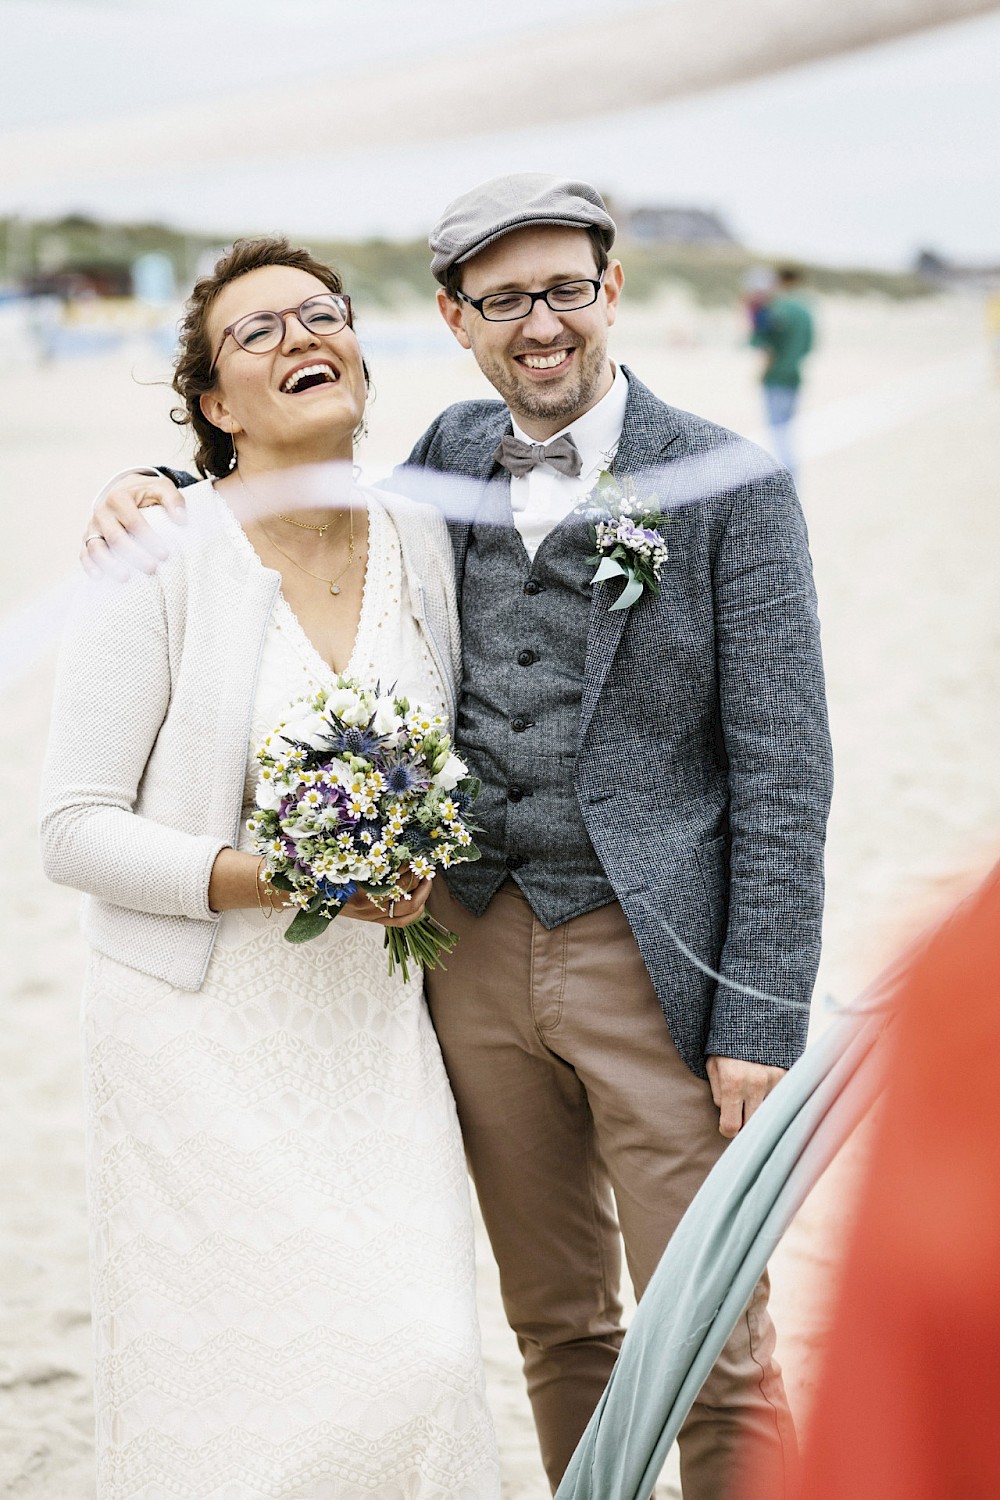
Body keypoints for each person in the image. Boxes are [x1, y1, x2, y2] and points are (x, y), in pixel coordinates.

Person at [80, 174, 834, 1500]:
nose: (539, 323)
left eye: (563, 290)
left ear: (611, 291)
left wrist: (758, 1016)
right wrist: (149, 484)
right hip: (465, 959)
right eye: (503, 300)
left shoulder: (729, 484)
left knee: (715, 1335)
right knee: (559, 1327)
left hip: (654, 962)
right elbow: (277, 487)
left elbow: (784, 774)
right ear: (456, 317)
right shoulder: (441, 462)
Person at [41, 237, 500, 1500]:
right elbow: (71, 829)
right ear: (212, 404)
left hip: (370, 1030)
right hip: (197, 1036)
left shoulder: (424, 538)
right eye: (260, 332)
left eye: (324, 315)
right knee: (242, 1398)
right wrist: (283, 879)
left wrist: (404, 861)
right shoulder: (159, 551)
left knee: (426, 1360)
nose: (305, 337)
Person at [750, 265, 814, 479]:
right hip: (794, 376)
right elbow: (808, 346)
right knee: (787, 432)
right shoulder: (806, 310)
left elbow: (762, 343)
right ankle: (793, 480)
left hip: (776, 377)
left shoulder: (776, 308)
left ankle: (785, 481)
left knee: (778, 435)